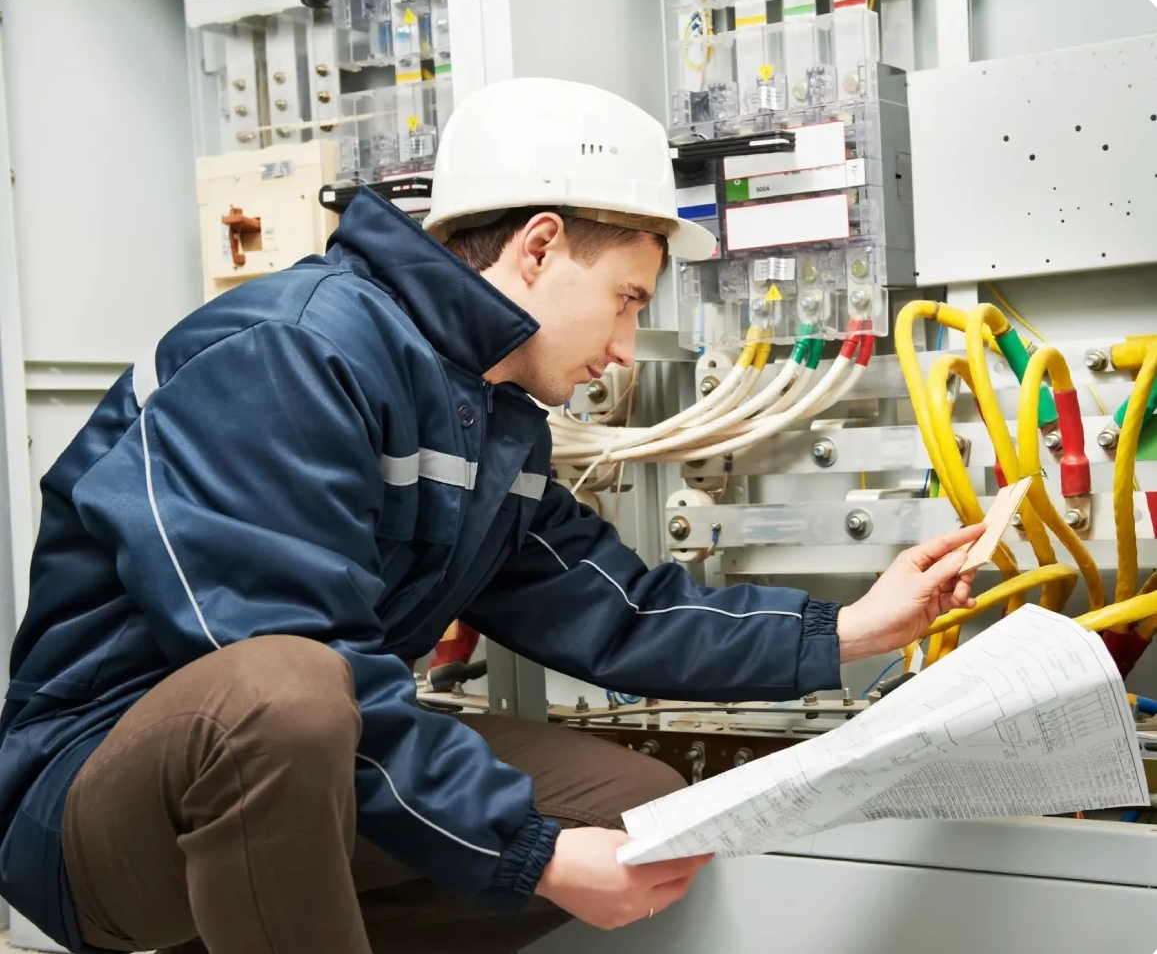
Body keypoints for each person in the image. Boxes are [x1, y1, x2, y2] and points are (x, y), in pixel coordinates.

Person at [0, 77, 981, 954]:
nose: (625, 349)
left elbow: (614, 608)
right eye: (626, 300)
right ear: (539, 246)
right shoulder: (292, 354)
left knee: (635, 815)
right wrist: (530, 854)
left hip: (299, 771)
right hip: (97, 805)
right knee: (288, 686)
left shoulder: (487, 416)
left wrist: (850, 628)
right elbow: (288, 651)